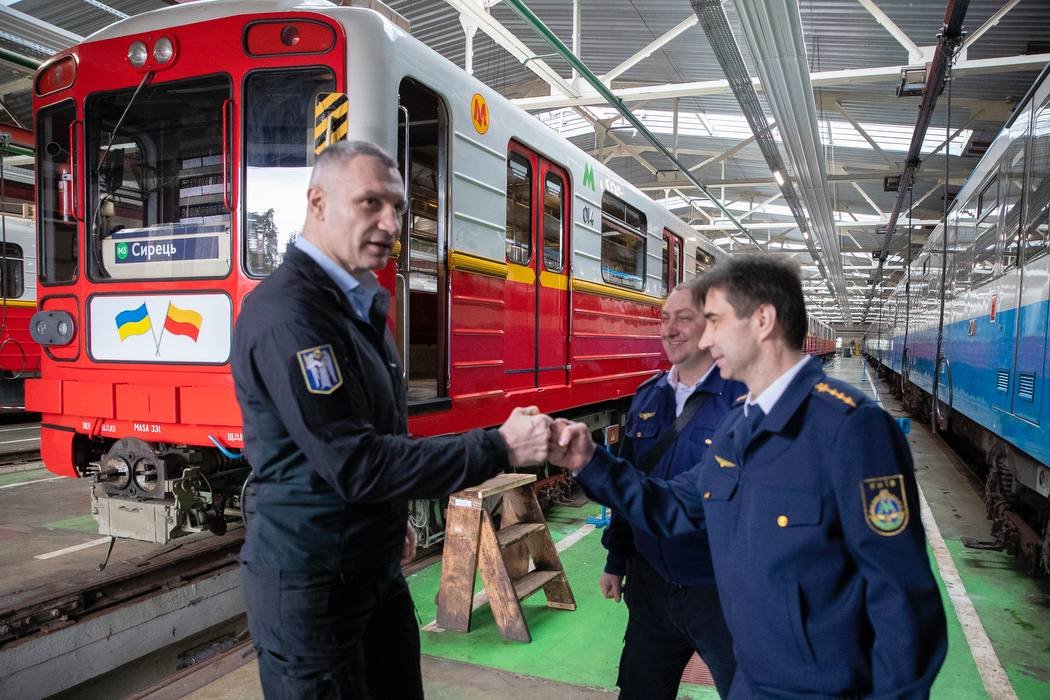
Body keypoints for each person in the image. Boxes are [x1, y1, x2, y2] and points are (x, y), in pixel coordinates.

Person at [231, 140, 552, 699]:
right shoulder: (291, 314)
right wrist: (498, 446)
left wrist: (388, 518)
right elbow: (356, 463)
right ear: (317, 202)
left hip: (367, 566)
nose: (390, 223)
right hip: (312, 581)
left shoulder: (355, 304)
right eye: (370, 203)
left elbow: (375, 432)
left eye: (398, 208)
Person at [550, 255, 947, 698]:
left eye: (715, 321)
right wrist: (588, 461)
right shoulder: (741, 426)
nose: (707, 337)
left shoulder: (851, 428)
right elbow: (675, 504)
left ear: (762, 320)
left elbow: (904, 599)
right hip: (753, 679)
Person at [601, 279, 741, 699]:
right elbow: (628, 485)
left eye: (684, 318)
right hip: (652, 586)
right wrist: (616, 559)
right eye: (664, 319)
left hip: (720, 592)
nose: (670, 329)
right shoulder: (648, 398)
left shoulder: (745, 399)